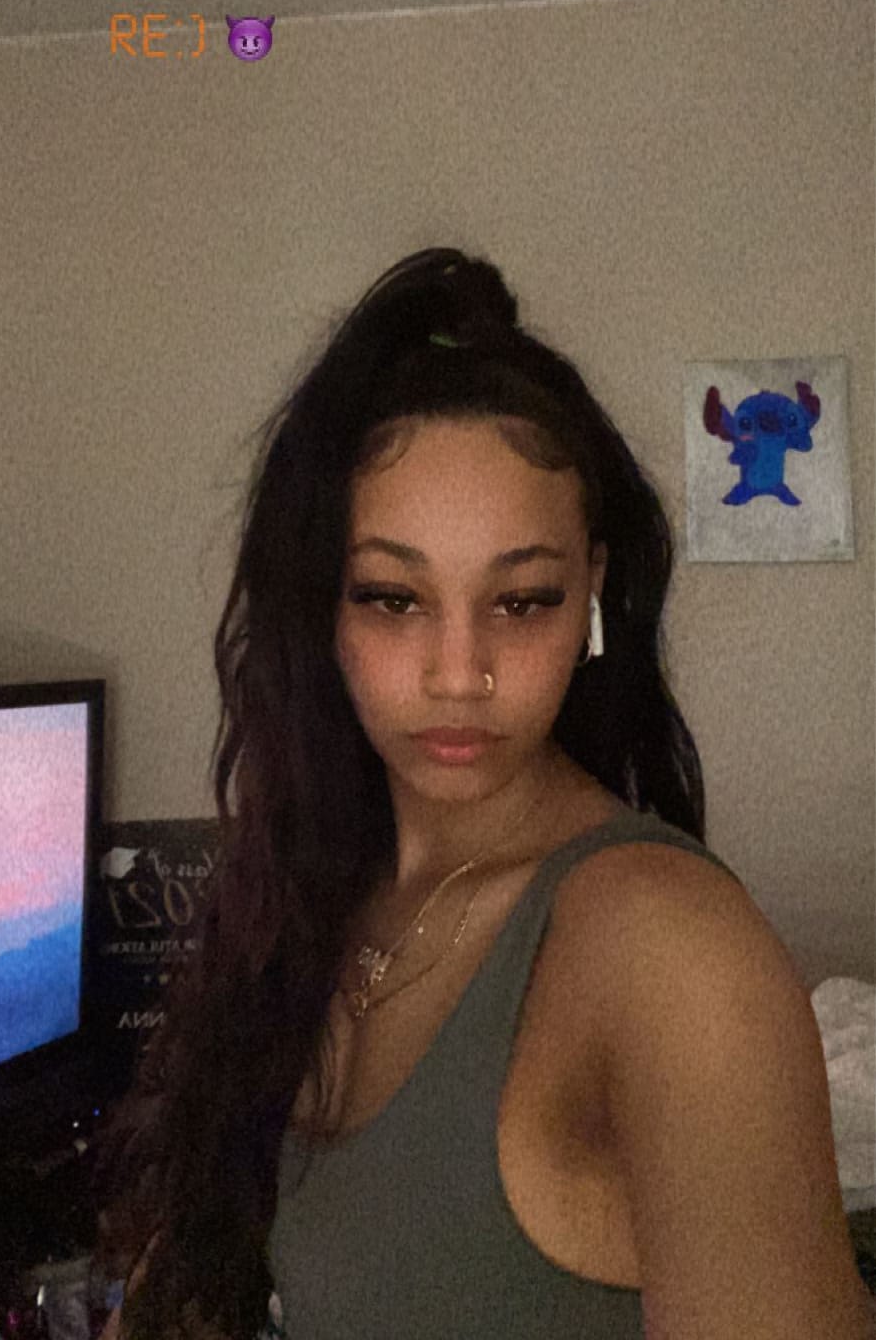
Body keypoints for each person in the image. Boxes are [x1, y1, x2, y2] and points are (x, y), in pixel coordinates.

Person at [92, 247, 873, 1339]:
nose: (459, 675)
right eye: (392, 597)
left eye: (521, 601)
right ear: (318, 606)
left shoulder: (668, 951)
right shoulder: (314, 892)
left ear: (591, 589)